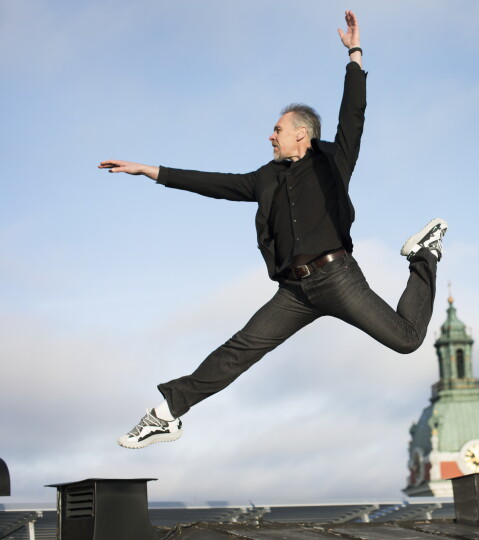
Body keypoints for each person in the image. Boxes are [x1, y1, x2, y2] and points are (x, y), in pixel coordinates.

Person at [99, 10, 447, 449]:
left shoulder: (332, 160)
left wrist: (355, 55)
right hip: (295, 292)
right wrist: (151, 171)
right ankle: (166, 414)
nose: (271, 136)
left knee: (407, 339)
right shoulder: (265, 177)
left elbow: (353, 114)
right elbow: (215, 184)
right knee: (241, 348)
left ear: (302, 134)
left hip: (338, 278)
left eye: (277, 129)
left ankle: (425, 254)